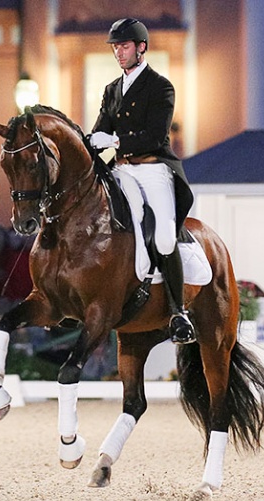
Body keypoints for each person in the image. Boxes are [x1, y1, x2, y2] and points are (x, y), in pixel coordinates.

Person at [88, 18, 195, 344]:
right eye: (116, 47)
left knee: (163, 238)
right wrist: (91, 143)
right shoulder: (112, 90)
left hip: (152, 170)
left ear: (141, 48)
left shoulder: (160, 87)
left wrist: (115, 141)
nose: (119, 52)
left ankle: (179, 313)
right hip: (122, 171)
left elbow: (154, 135)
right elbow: (99, 131)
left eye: (124, 46)